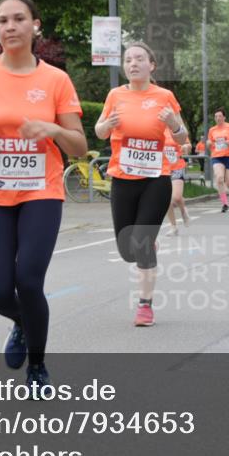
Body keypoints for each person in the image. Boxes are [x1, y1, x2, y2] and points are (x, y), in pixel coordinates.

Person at [0, 0, 85, 390]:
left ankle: (38, 368)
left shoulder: (55, 80)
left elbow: (78, 145)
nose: (10, 26)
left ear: (35, 26)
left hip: (40, 192)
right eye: (3, 20)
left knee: (28, 280)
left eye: (19, 19)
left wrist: (54, 131)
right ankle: (22, 323)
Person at [97, 42, 187, 327]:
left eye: (139, 59)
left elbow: (183, 137)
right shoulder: (115, 95)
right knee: (127, 250)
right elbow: (99, 132)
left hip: (155, 179)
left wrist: (173, 124)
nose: (133, 63)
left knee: (143, 244)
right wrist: (107, 124)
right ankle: (147, 243)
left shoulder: (164, 96)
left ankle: (145, 305)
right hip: (123, 179)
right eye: (128, 60)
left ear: (152, 65)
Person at [206, 108, 229, 212]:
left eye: (220, 116)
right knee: (219, 178)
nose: (218, 118)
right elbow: (209, 142)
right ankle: (224, 203)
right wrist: (208, 143)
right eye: (216, 116)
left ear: (224, 117)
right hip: (217, 157)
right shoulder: (212, 130)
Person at [164, 129, 191, 235]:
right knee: (165, 200)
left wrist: (186, 147)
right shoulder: (156, 128)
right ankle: (173, 227)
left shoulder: (177, 129)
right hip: (162, 168)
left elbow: (188, 144)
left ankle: (183, 211)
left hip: (177, 167)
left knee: (176, 197)